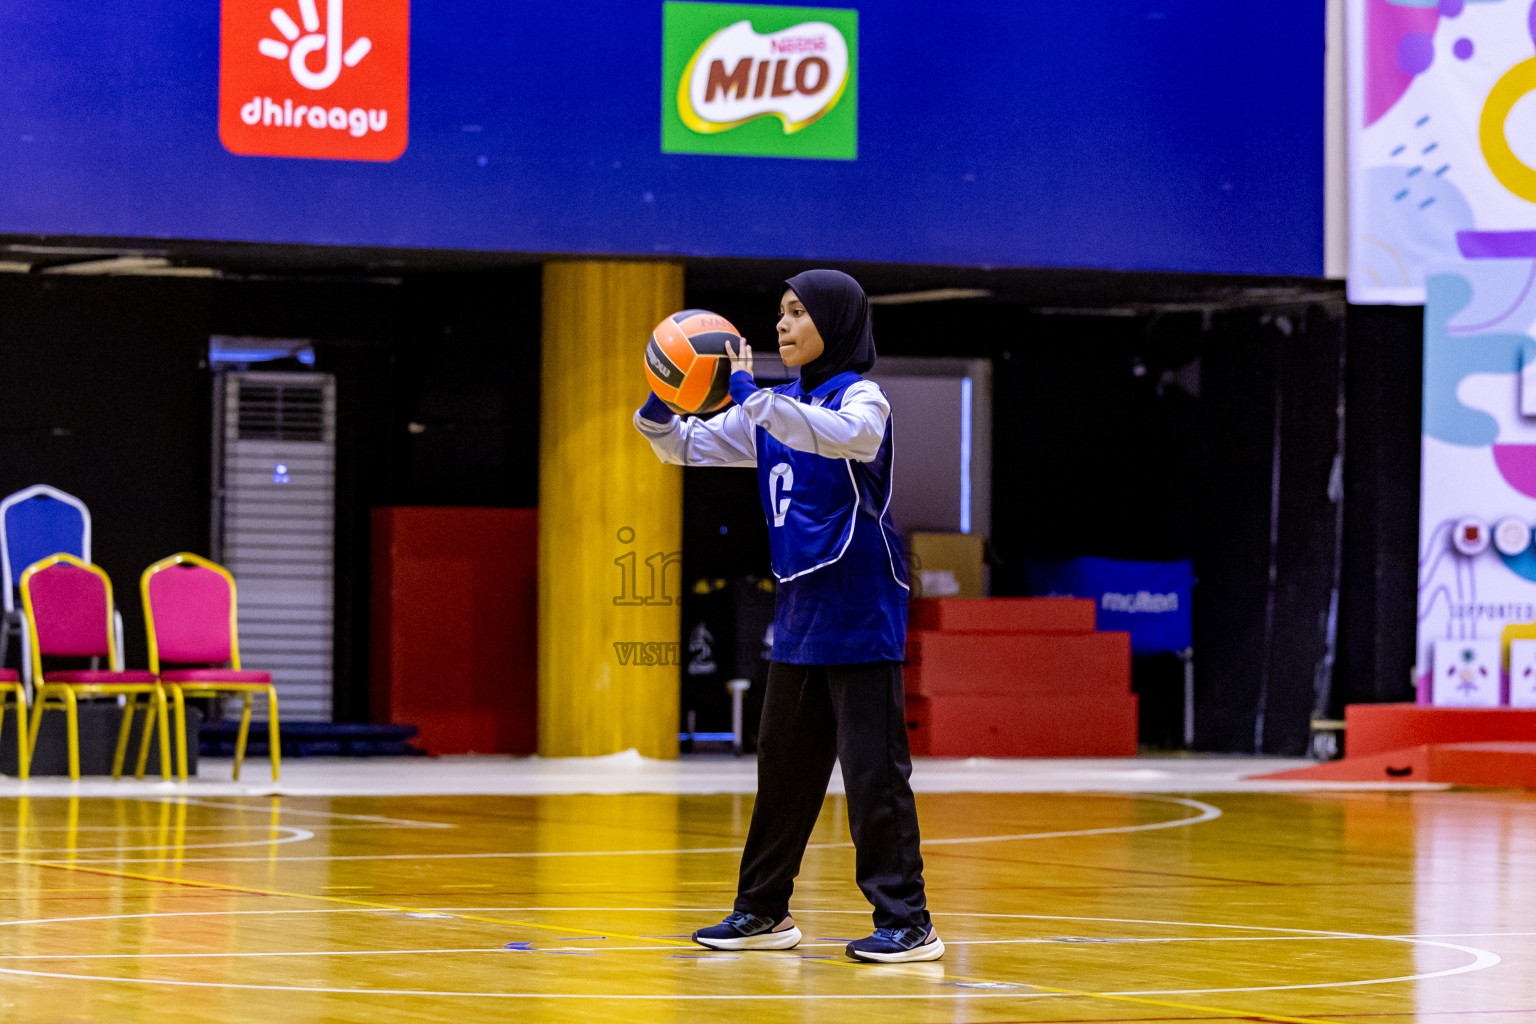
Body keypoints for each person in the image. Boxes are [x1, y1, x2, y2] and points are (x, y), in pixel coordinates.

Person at [633, 269, 941, 964]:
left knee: (872, 773)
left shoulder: (863, 398)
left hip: (861, 604)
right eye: (779, 313)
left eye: (798, 313)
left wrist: (751, 399)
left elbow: (848, 439)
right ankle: (763, 911)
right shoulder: (771, 406)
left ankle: (908, 922)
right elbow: (682, 445)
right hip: (800, 609)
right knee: (783, 771)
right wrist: (661, 402)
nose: (781, 325)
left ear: (834, 322)